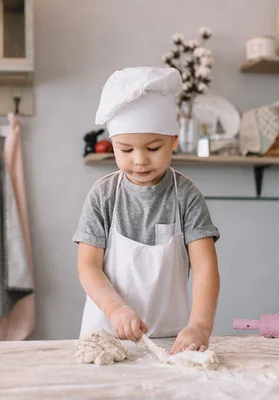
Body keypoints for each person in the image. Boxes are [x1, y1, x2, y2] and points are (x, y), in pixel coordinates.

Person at [73, 67, 220, 354]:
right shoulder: (103, 196)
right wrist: (116, 309)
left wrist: (200, 326)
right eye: (126, 150)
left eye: (153, 147)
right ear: (113, 145)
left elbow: (205, 268)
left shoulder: (186, 196)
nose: (139, 160)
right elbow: (87, 266)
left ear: (173, 141)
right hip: (106, 338)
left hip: (172, 340)